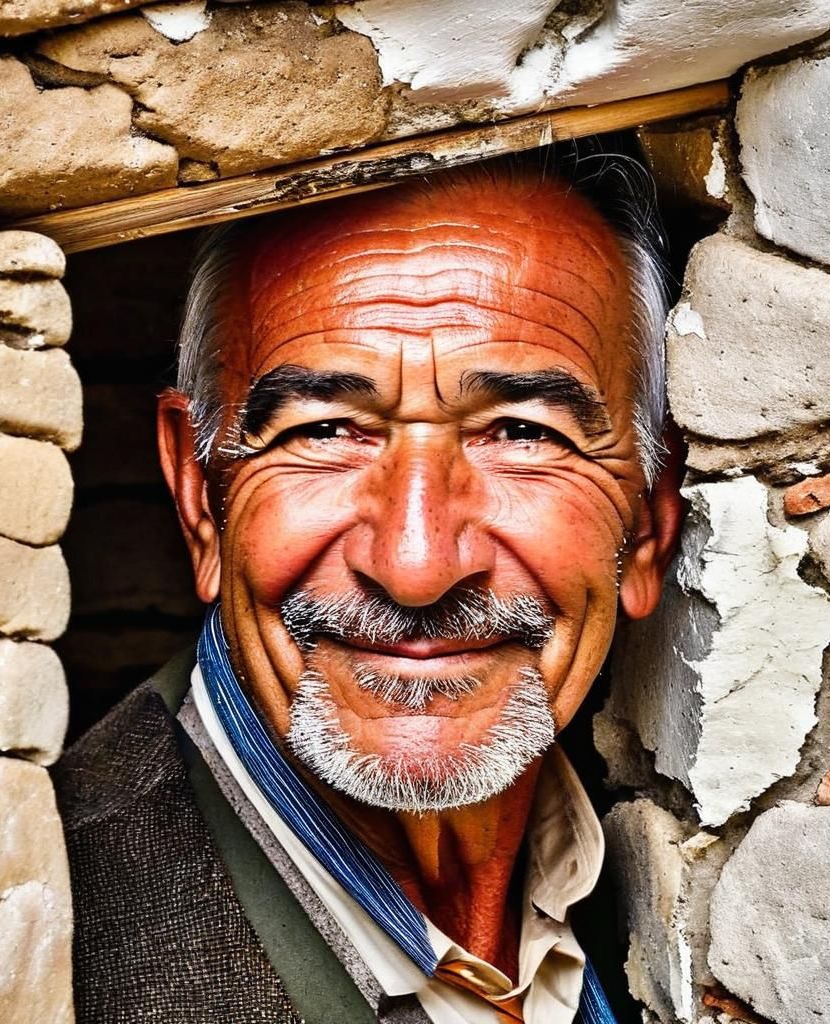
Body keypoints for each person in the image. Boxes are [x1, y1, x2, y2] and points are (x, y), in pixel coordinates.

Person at [54, 148, 684, 1024]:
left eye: (520, 432)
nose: (417, 565)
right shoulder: (39, 954)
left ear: (649, 522)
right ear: (201, 495)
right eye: (327, 430)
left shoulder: (676, 888)